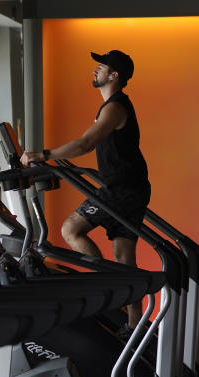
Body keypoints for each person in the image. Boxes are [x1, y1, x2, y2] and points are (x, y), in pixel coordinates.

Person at [20, 49, 149, 329]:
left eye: (101, 67)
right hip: (131, 186)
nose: (95, 71)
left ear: (114, 76)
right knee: (123, 257)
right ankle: (134, 321)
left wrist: (42, 155)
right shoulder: (113, 106)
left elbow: (85, 144)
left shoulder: (114, 107)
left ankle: (106, 292)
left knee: (70, 230)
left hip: (120, 189)